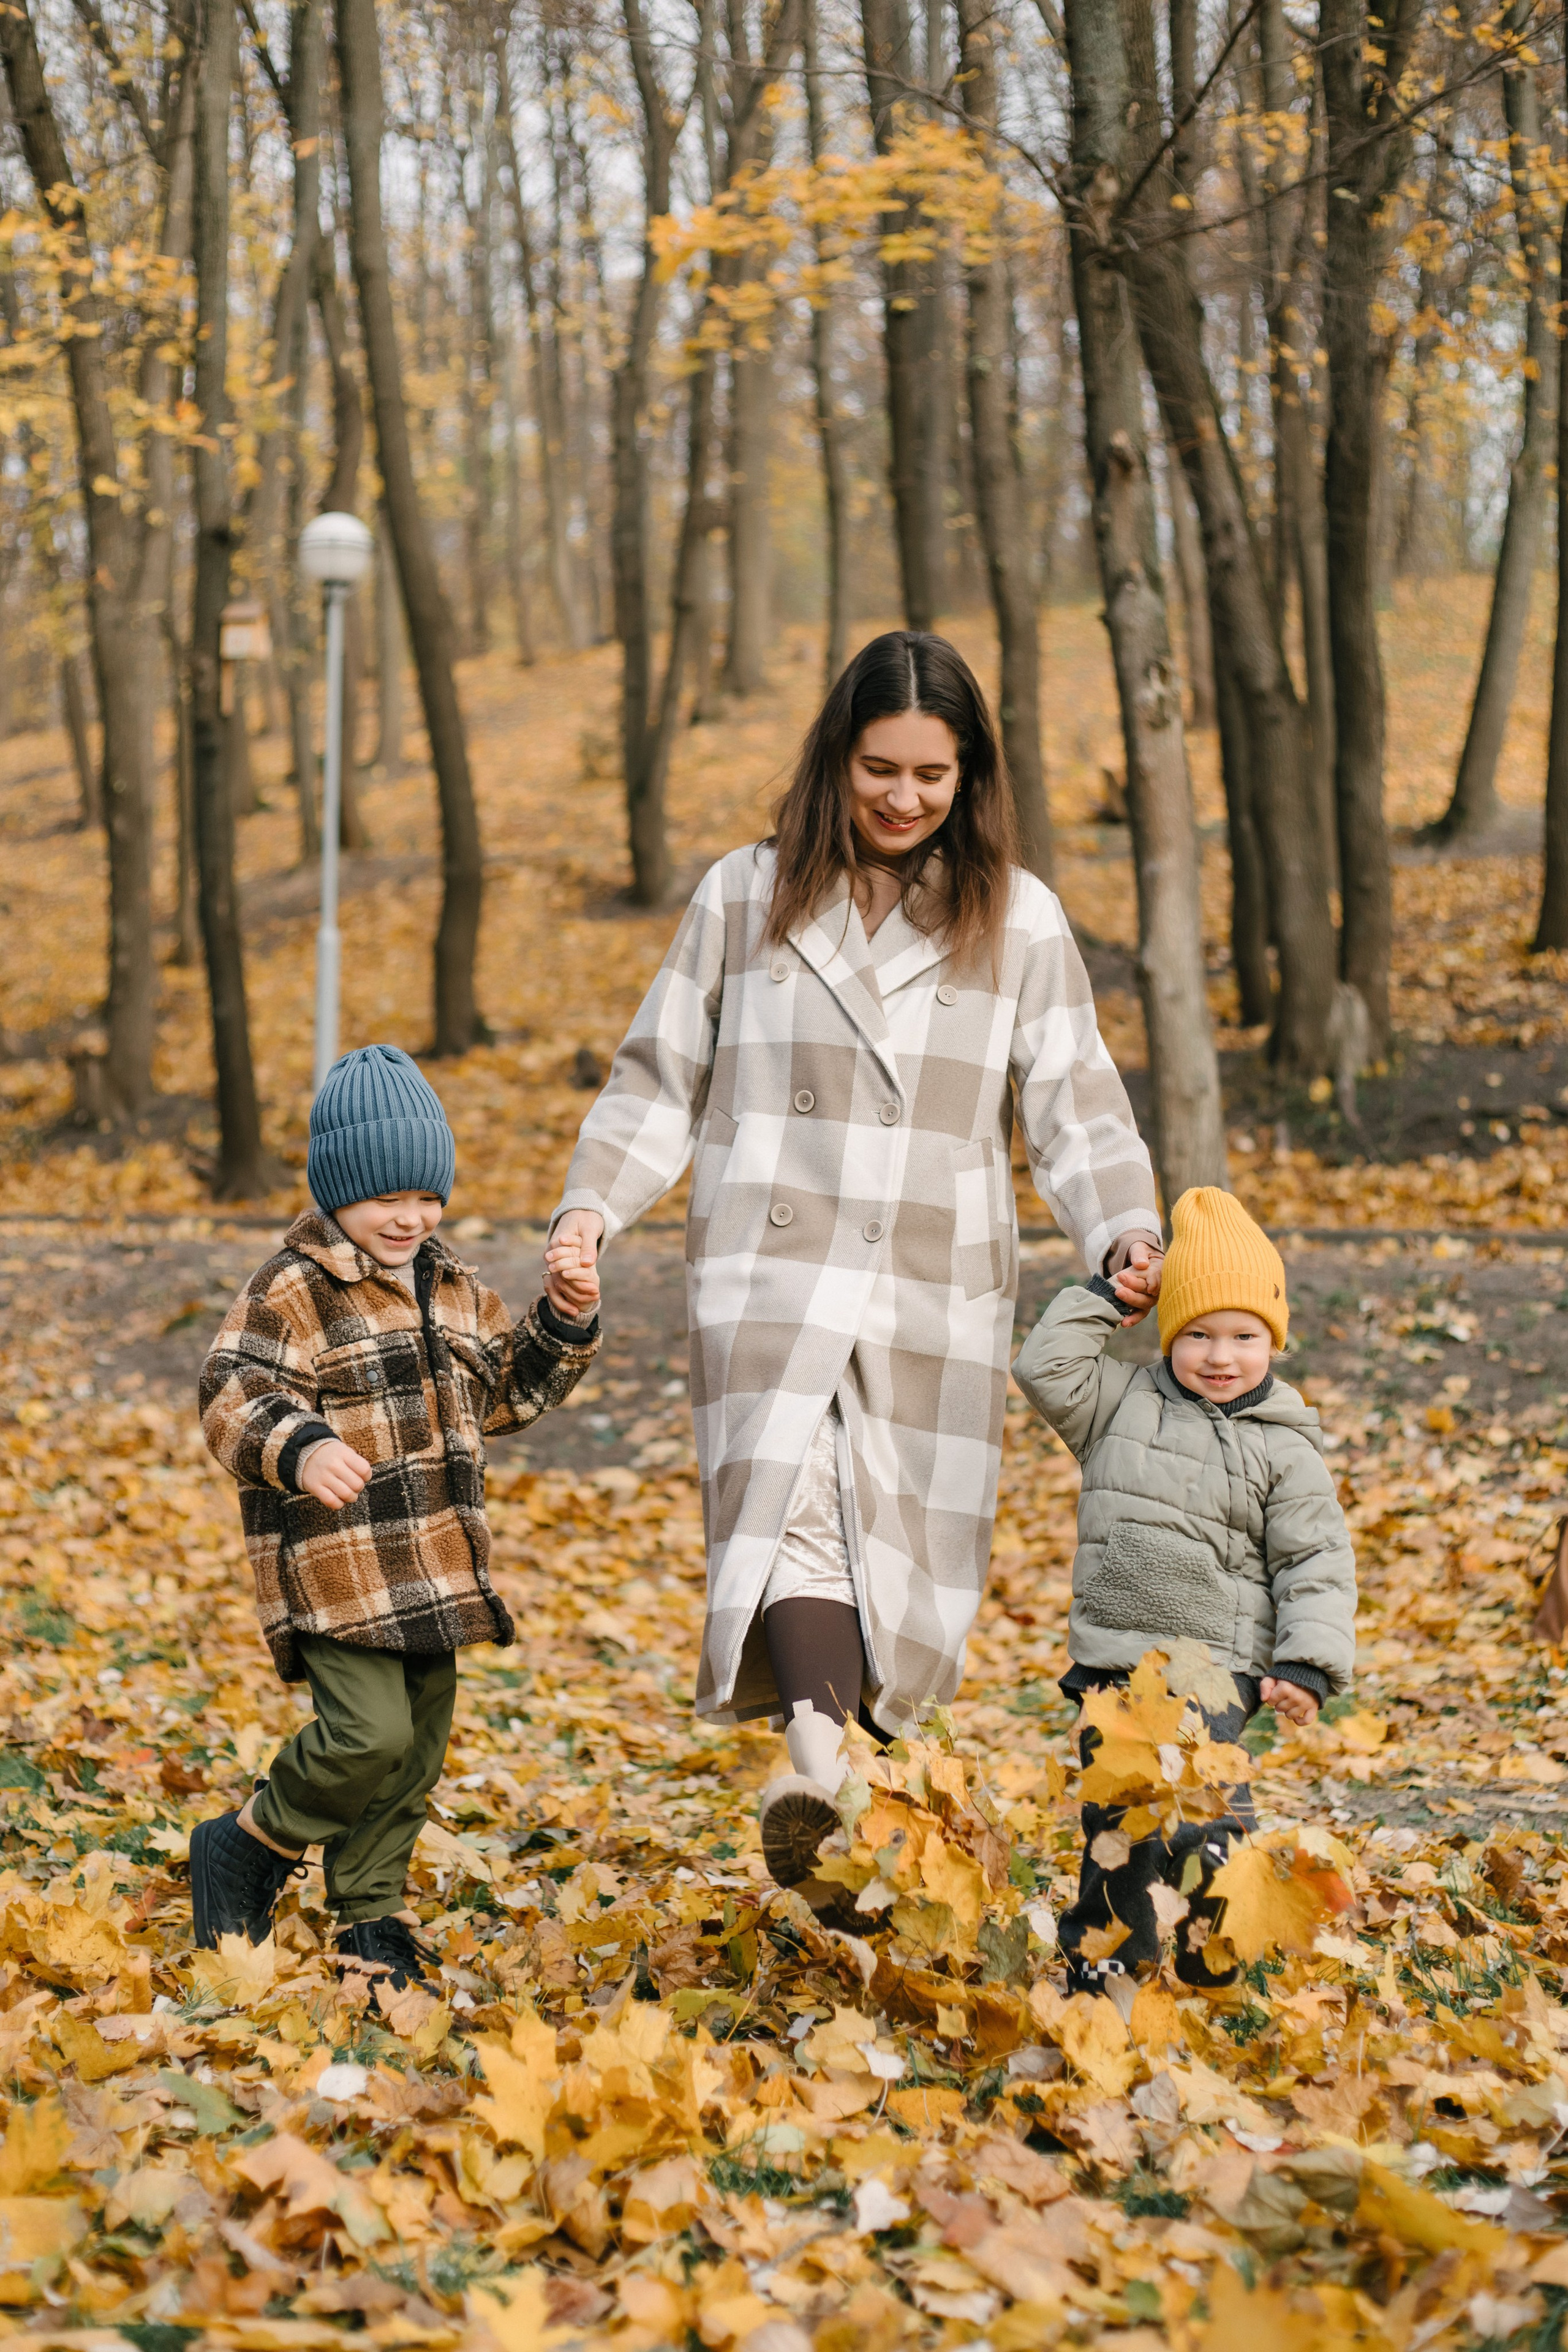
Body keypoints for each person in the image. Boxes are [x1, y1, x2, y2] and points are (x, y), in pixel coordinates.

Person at [543, 630, 1164, 1911]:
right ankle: (813, 1770)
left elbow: (1075, 1108)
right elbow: (659, 1073)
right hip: (768, 1272)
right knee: (793, 1501)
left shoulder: (1018, 918)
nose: (901, 799)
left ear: (968, 775)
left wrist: (1119, 1230)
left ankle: (845, 1815)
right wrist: (590, 1211)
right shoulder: (742, 894)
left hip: (933, 1281)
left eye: (931, 776)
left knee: (903, 1561)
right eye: (878, 768)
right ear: (836, 760)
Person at [195, 1044, 600, 1985]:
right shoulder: (296, 1289)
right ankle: (249, 1841)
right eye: (388, 1199)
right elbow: (228, 1388)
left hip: (438, 1569)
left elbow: (508, 1392)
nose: (411, 1217)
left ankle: (367, 1919)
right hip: (344, 1572)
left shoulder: (452, 1287)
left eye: (428, 1197)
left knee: (412, 1757)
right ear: (339, 1191)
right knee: (363, 1737)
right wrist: (299, 1444)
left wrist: (564, 1322)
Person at [1012, 1185, 1357, 1993]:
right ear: (1169, 1332)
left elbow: (1316, 1560)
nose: (1220, 1355)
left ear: (1273, 1338)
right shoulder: (1120, 1404)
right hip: (1115, 1664)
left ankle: (1218, 1944)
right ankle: (1105, 1965)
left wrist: (1306, 1665)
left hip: (1216, 1666)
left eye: (1244, 1335)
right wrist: (1110, 1299)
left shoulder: (1286, 1449)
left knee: (1205, 1817)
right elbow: (1043, 1366)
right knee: (1123, 1827)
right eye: (1198, 1333)